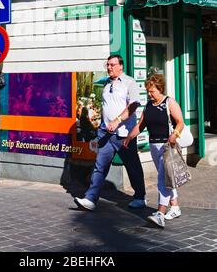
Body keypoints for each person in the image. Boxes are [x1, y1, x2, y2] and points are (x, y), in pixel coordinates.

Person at [74, 54, 146, 211]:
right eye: (107, 65)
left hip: (124, 134)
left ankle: (140, 197)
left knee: (132, 166)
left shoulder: (129, 82)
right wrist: (101, 126)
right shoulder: (106, 84)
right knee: (100, 166)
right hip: (106, 134)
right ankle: (90, 199)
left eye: (112, 65)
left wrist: (117, 120)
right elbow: (106, 107)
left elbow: (134, 105)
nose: (109, 67)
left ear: (121, 66)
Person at [124, 73, 184, 228]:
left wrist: (174, 135)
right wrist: (129, 137)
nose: (150, 94)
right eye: (148, 91)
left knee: (163, 180)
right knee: (166, 177)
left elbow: (180, 122)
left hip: (166, 146)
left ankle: (160, 214)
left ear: (160, 88)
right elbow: (141, 125)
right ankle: (175, 206)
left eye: (153, 91)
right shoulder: (149, 105)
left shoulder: (169, 102)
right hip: (153, 146)